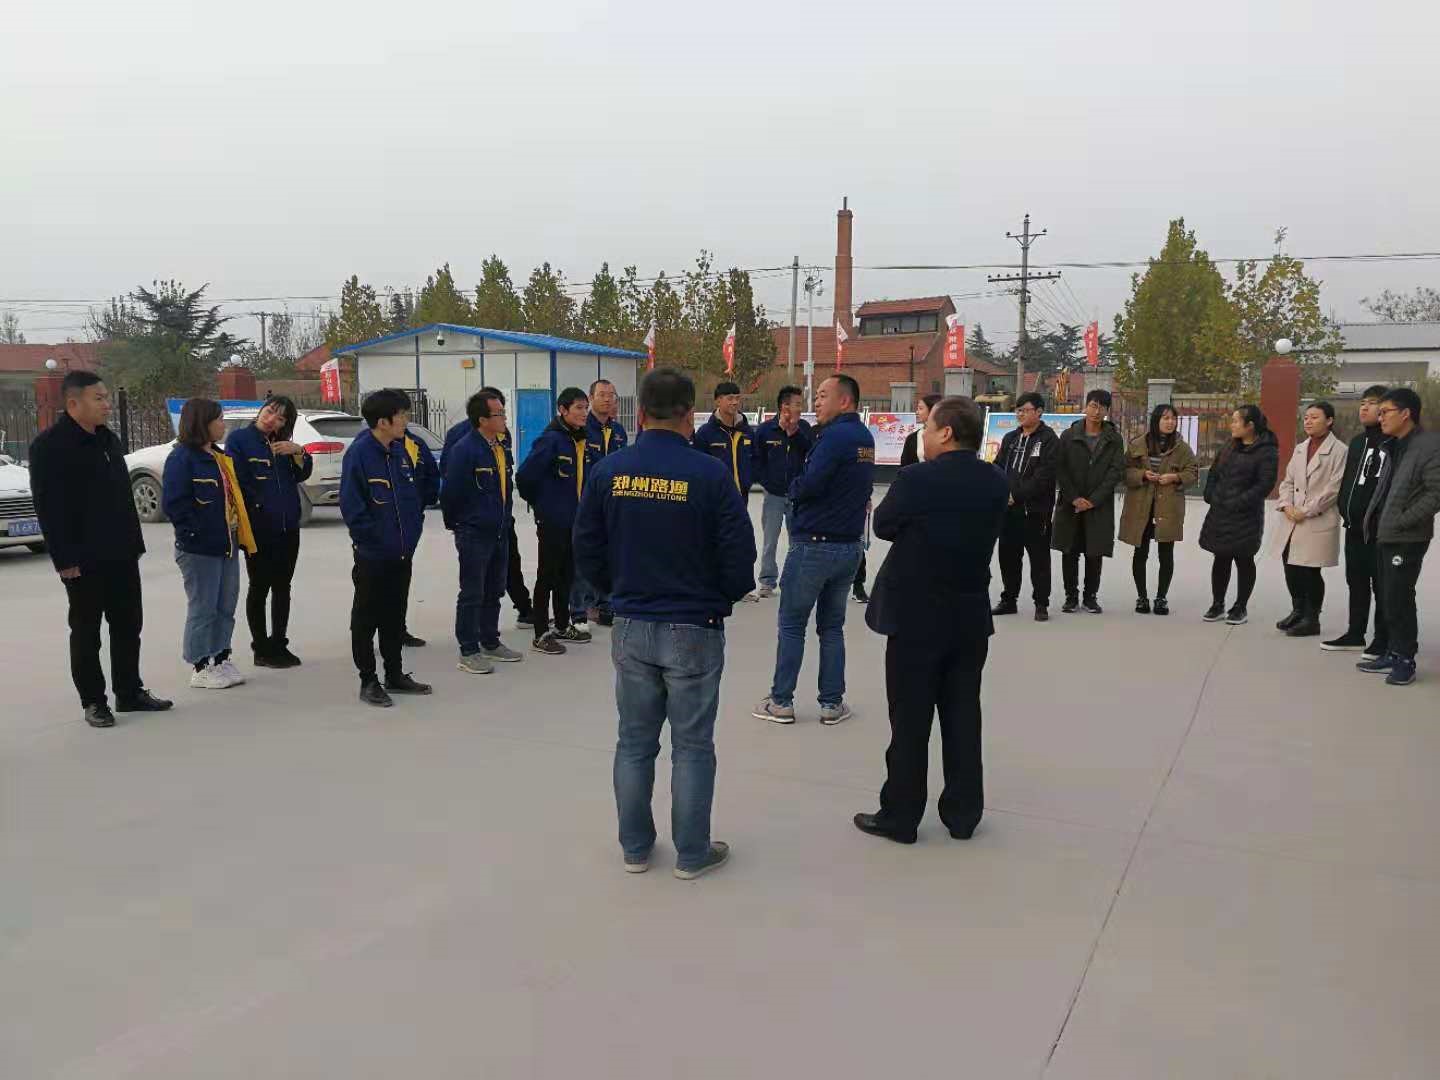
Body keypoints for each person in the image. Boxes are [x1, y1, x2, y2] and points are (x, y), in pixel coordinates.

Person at [574, 368, 755, 879]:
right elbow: (740, 557)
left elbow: (586, 546)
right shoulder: (710, 475)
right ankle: (691, 855)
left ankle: (635, 849)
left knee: (634, 742)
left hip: (633, 623)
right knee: (692, 746)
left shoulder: (610, 471)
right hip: (694, 624)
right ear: (689, 413)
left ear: (641, 413)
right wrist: (715, 599)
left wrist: (616, 593)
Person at [853, 396, 1009, 845]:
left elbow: (884, 525)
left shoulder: (917, 478)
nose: (922, 434)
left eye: (928, 427)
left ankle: (901, 815)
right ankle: (963, 815)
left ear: (946, 432)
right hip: (969, 615)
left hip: (916, 617)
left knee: (910, 720)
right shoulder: (995, 480)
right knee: (963, 716)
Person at [28, 371, 173, 728]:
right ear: (73, 403)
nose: (107, 404)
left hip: (121, 552)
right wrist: (64, 559)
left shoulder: (108, 440)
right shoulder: (49, 446)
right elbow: (49, 508)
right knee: (86, 631)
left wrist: (134, 544)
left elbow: (122, 497)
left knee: (128, 624)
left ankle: (129, 691)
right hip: (82, 558)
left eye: (107, 397)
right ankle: (94, 701)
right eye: (99, 398)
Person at [753, 373, 875, 726]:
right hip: (848, 547)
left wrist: (792, 490)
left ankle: (781, 701)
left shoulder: (833, 438)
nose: (815, 402)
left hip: (814, 547)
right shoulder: (864, 437)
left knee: (792, 625)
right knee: (832, 627)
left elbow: (811, 483)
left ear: (845, 401)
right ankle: (832, 703)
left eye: (822, 395)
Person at [340, 388, 433, 707]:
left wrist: (411, 535)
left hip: (402, 552)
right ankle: (368, 679)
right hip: (373, 555)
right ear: (383, 421)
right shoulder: (360, 454)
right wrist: (373, 541)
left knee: (395, 615)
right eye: (402, 415)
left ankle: (395, 673)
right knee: (366, 618)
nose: (406, 420)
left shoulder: (398, 451)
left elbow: (411, 500)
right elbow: (352, 507)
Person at [163, 398, 258, 690]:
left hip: (227, 541)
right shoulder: (182, 459)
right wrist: (196, 534)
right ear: (201, 423)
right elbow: (175, 505)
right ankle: (200, 664)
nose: (223, 425)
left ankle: (221, 656)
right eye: (218, 419)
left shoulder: (219, 456)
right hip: (199, 548)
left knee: (225, 604)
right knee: (203, 607)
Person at [1356, 388, 1440, 685]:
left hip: (1408, 537)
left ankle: (1405, 659)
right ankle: (1393, 651)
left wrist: (1403, 520)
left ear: (1406, 414)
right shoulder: (1394, 445)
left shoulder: (1429, 445)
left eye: (1385, 412)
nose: (1380, 418)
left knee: (1399, 596)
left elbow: (1435, 493)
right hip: (1387, 533)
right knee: (1388, 596)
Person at [441, 389, 525, 675]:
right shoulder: (465, 450)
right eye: (498, 414)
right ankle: (468, 649)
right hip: (474, 533)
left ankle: (490, 640)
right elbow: (451, 494)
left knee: (494, 589)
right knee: (472, 592)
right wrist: (461, 526)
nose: (504, 418)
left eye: (503, 412)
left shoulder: (500, 445)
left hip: (500, 529)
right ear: (482, 420)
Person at [225, 396, 313, 668]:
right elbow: (240, 482)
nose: (272, 418)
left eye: (280, 417)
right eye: (270, 411)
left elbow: (301, 475)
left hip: (288, 527)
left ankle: (279, 643)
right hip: (260, 528)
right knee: (260, 586)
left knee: (283, 586)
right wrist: (259, 510)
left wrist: (298, 452)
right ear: (262, 409)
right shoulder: (240, 440)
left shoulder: (282, 445)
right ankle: (261, 648)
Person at [515, 386, 593, 654]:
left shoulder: (580, 438)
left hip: (575, 520)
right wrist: (543, 506)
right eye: (579, 408)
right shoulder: (551, 440)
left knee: (566, 575)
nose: (584, 413)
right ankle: (540, 633)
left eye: (586, 408)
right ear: (562, 410)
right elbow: (525, 477)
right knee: (547, 576)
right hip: (553, 522)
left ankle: (561, 625)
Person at [1324, 386, 1390, 654]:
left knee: (1382, 586)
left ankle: (1382, 639)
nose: (1364, 408)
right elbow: (1349, 481)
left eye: (1372, 403)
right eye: (1363, 403)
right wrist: (1345, 508)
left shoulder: (1393, 443)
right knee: (1357, 581)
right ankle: (1355, 633)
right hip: (1353, 527)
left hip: (1379, 531)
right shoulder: (1357, 443)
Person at [1199, 405, 1280, 625]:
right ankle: (1217, 604)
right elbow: (1214, 472)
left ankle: (1240, 607)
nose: (1232, 425)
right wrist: (1211, 494)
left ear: (1250, 425)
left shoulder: (1266, 450)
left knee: (1244, 559)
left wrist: (1238, 502)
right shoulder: (1230, 446)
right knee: (1220, 557)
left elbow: (1265, 484)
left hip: (1246, 515)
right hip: (1220, 512)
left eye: (1236, 421)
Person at [1271, 401, 1346, 638]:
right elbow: (1288, 481)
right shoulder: (1301, 448)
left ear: (1329, 421)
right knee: (1290, 564)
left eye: (1314, 417)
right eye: (1306, 417)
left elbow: (1333, 490)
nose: (1308, 421)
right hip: (1292, 517)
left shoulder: (1340, 451)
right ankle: (1298, 610)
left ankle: (1312, 619)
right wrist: (1286, 505)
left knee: (1310, 570)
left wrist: (1305, 511)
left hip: (1316, 518)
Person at [1118, 404, 1197, 615]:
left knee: (1166, 554)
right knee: (1140, 552)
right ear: (1156, 421)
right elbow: (1124, 472)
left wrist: (1175, 477)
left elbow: (1193, 472)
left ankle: (1161, 598)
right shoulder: (1137, 444)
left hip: (1168, 507)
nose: (1170, 422)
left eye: (1173, 418)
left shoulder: (1182, 448)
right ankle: (1142, 597)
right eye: (1165, 418)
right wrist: (1142, 475)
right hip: (1141, 507)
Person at [1050, 389, 1124, 614]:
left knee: (1095, 551)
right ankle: (1071, 597)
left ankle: (1090, 597)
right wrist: (1074, 497)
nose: (1096, 411)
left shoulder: (1114, 439)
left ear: (1107, 411)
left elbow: (1115, 471)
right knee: (1069, 550)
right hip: (1071, 504)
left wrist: (1093, 500)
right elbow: (1060, 468)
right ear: (1085, 407)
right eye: (1093, 405)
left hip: (1098, 505)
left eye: (1102, 407)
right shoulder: (1069, 435)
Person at [993, 392, 1059, 621]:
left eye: (1025, 410)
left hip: (1035, 511)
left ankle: (1041, 604)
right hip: (1008, 511)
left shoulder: (1049, 440)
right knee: (1008, 557)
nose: (1020, 414)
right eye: (1018, 410)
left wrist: (1016, 496)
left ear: (1039, 412)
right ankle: (1009, 600)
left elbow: (1044, 477)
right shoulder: (1010, 438)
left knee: (1039, 559)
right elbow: (998, 467)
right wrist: (1001, 493)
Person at [694, 380, 759, 602]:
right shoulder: (706, 433)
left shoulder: (747, 431)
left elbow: (755, 459)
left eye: (737, 398)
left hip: (741, 497)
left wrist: (750, 479)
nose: (734, 402)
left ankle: (741, 587)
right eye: (729, 398)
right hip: (714, 499)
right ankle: (711, 585)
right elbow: (699, 466)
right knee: (713, 541)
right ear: (717, 401)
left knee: (741, 542)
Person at [572, 377, 629, 629]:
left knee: (610, 555)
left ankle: (605, 605)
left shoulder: (618, 432)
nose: (607, 399)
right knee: (583, 556)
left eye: (611, 395)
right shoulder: (582, 429)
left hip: (612, 505)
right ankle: (579, 610)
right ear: (591, 398)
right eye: (602, 395)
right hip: (585, 504)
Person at [752, 385, 812, 599]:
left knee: (798, 540)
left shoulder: (804, 428)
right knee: (770, 540)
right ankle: (767, 581)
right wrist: (766, 482)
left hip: (797, 495)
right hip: (774, 495)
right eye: (797, 404)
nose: (800, 408)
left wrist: (794, 433)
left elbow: (811, 452)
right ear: (784, 406)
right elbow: (756, 459)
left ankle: (794, 580)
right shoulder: (765, 430)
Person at [397, 415, 440, 648]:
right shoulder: (366, 448)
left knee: (402, 576)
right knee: (374, 584)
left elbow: (432, 474)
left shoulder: (415, 444)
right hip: (382, 527)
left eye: (406, 414)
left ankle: (398, 629)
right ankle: (368, 632)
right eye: (399, 414)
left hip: (411, 521)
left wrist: (424, 501)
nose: (404, 420)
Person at [898, 393, 943, 469]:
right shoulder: (912, 438)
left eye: (921, 408)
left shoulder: (950, 435)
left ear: (933, 410)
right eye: (917, 408)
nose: (917, 412)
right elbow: (905, 467)